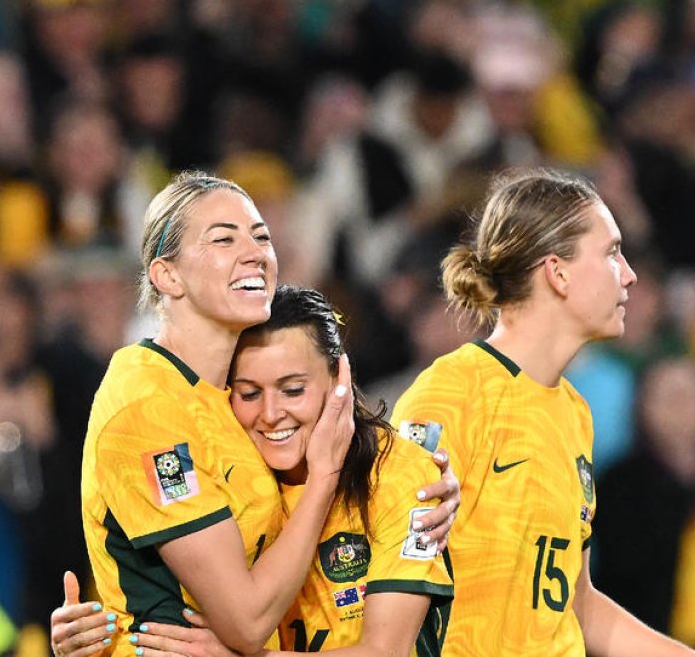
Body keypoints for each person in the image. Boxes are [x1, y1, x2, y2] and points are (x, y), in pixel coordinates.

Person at [48, 172, 457, 657]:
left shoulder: (219, 400)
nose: (255, 252)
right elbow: (246, 621)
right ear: (167, 275)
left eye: (261, 236)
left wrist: (417, 470)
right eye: (223, 238)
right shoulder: (150, 406)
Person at [389, 167, 695, 656]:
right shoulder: (450, 398)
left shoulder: (574, 411)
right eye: (611, 253)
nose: (629, 274)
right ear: (557, 272)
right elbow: (390, 597)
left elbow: (577, 604)